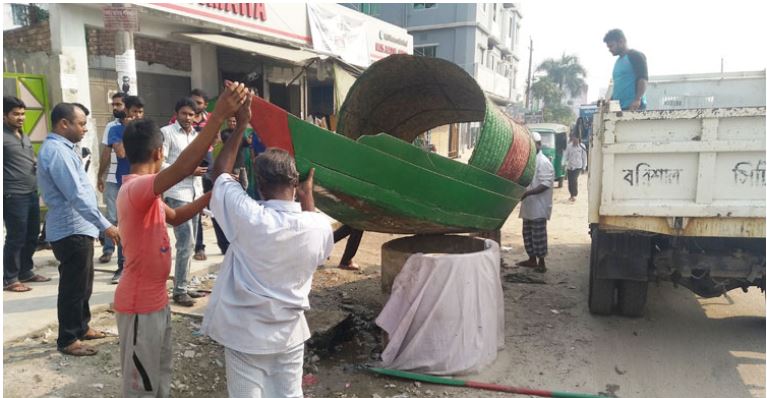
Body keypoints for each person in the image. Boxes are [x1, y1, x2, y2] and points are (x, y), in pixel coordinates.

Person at [113, 81, 249, 398]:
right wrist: (215, 118)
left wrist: (212, 195)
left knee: (159, 378)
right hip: (138, 307)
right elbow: (186, 165)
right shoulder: (137, 189)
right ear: (160, 152)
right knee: (140, 387)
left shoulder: (143, 192)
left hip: (155, 303)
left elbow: (176, 216)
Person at [201, 108, 333, 397]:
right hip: (289, 333)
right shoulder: (318, 225)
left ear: (259, 185)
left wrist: (241, 126)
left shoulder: (248, 218)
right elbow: (317, 243)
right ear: (295, 185)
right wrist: (308, 196)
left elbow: (218, 173)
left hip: (245, 333)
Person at [37, 102, 121, 356]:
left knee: (84, 283)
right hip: (70, 229)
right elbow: (77, 196)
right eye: (81, 123)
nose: (85, 129)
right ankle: (68, 339)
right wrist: (106, 225)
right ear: (64, 124)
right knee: (73, 287)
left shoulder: (64, 148)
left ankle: (82, 326)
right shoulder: (57, 152)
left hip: (79, 227)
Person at [161, 97, 207, 307]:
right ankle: (179, 291)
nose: (188, 118)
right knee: (185, 243)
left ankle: (185, 286)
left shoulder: (196, 136)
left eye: (191, 114)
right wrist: (186, 170)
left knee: (191, 241)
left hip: (194, 192)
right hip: (176, 193)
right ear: (176, 114)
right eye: (184, 114)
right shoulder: (167, 133)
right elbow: (160, 163)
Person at [3, 96, 51, 292]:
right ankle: (11, 277)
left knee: (32, 234)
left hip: (31, 191)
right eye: (16, 114)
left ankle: (25, 271)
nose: (21, 117)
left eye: (23, 113)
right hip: (12, 194)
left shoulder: (22, 134)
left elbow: (29, 156)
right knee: (16, 236)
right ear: (4, 116)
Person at [106, 95, 145, 283]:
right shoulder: (116, 129)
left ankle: (141, 265)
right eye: (134, 111)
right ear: (126, 111)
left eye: (140, 112)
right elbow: (121, 152)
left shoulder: (145, 130)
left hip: (144, 183)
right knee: (124, 226)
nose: (137, 115)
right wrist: (129, 129)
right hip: (125, 183)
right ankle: (122, 266)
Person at [517, 132, 554, 273]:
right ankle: (532, 259)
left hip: (539, 206)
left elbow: (545, 184)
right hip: (528, 206)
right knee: (527, 234)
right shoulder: (530, 161)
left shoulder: (544, 162)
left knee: (538, 236)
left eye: (534, 146)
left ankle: (541, 263)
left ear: (539, 145)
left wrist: (527, 193)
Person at [96, 92, 126, 264]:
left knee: (125, 218)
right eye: (113, 104)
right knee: (112, 216)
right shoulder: (111, 127)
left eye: (118, 104)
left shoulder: (135, 125)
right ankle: (108, 249)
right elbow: (106, 152)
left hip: (130, 177)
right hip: (113, 178)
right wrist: (100, 175)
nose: (115, 107)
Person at [604, 29, 648, 111]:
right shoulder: (617, 62)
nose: (609, 49)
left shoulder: (635, 56)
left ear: (621, 42)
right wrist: (611, 100)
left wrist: (637, 99)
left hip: (634, 107)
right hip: (620, 109)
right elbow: (620, 86)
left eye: (611, 46)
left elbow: (643, 78)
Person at [562, 134, 587, 202]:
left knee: (574, 180)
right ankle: (571, 194)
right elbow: (565, 156)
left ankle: (574, 195)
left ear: (579, 139)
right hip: (570, 166)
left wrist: (584, 167)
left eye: (576, 138)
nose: (575, 140)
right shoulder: (569, 146)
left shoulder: (582, 146)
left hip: (578, 166)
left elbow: (584, 157)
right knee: (570, 182)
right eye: (573, 138)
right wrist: (563, 164)